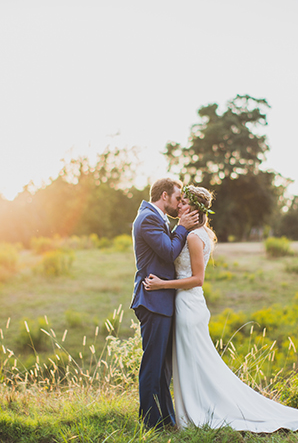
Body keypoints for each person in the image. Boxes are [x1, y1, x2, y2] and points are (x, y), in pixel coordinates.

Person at [143, 186, 298, 432]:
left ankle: (199, 412)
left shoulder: (195, 237)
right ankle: (191, 411)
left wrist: (163, 284)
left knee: (195, 361)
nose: (179, 206)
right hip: (187, 304)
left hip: (188, 304)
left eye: (184, 202)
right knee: (193, 362)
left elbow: (197, 279)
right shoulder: (192, 233)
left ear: (195, 209)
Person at [130, 178, 199, 429]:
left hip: (161, 301)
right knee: (153, 363)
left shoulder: (155, 218)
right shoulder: (148, 218)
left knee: (163, 368)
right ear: (164, 195)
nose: (179, 202)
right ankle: (149, 422)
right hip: (152, 299)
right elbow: (169, 252)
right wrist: (181, 227)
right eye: (178, 198)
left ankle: (166, 419)